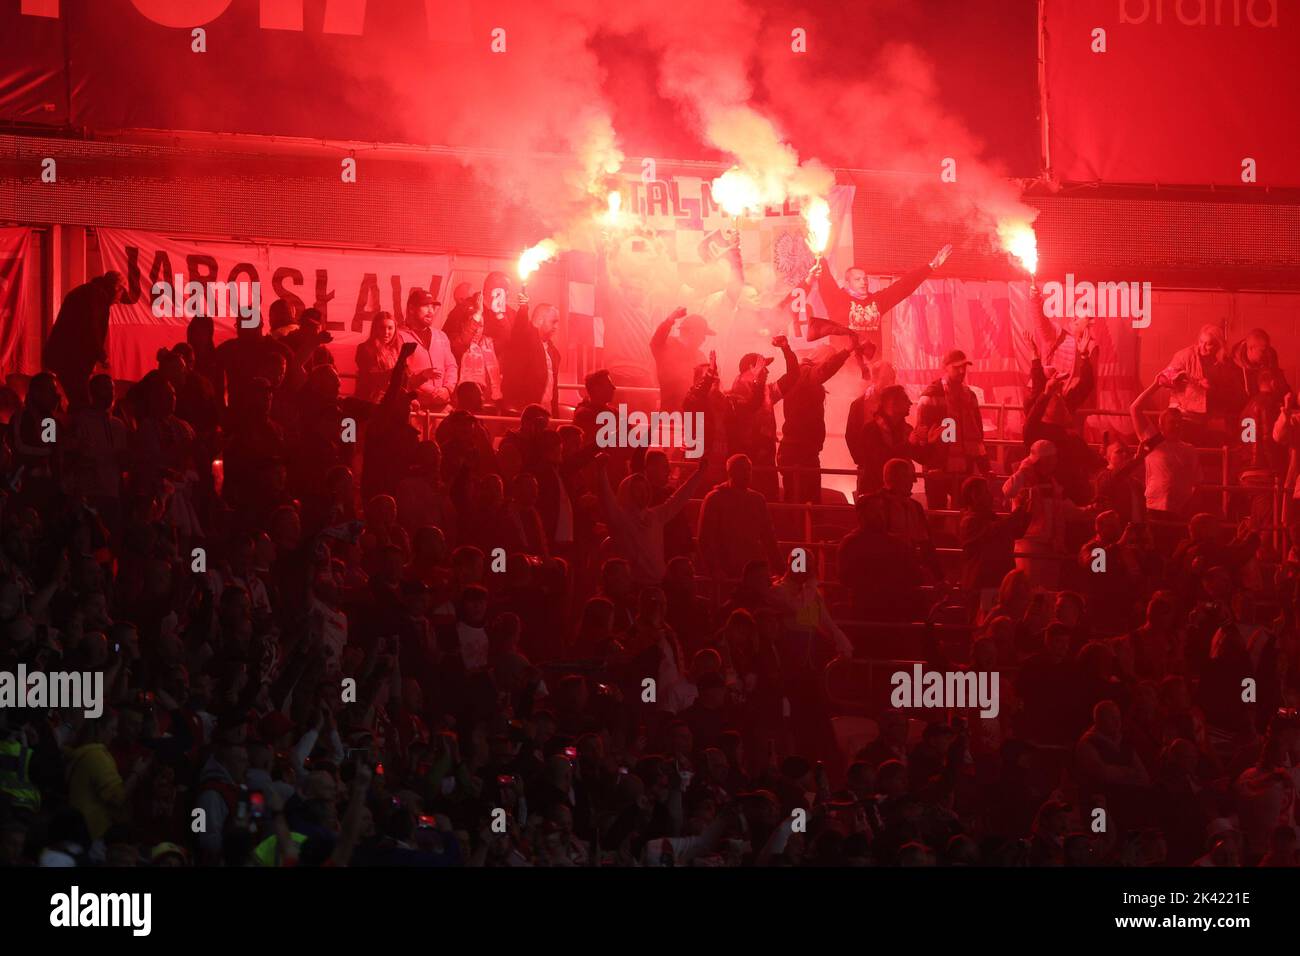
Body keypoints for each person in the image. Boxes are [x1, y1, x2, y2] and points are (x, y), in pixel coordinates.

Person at [811, 245, 951, 362]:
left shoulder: (877, 301)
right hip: (843, 369)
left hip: (873, 368)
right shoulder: (837, 300)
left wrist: (931, 266)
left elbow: (903, 287)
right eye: (857, 279)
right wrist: (819, 255)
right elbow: (826, 280)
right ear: (847, 283)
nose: (863, 282)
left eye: (865, 278)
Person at [774, 335, 855, 504]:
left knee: (796, 500)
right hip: (800, 451)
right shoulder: (805, 374)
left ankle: (799, 529)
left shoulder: (801, 374)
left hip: (797, 448)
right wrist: (846, 351)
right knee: (806, 502)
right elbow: (826, 370)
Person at [916, 350, 989, 510]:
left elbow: (977, 434)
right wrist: (931, 465)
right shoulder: (930, 396)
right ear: (945, 368)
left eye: (964, 367)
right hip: (939, 468)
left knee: (965, 512)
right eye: (957, 367)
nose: (962, 371)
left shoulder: (970, 396)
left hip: (965, 466)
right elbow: (922, 437)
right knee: (938, 514)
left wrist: (984, 465)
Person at [43, 271, 126, 407]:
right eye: (121, 293)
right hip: (72, 360)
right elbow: (91, 329)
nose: (119, 299)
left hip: (62, 357)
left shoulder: (86, 291)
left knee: (77, 400)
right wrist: (101, 355)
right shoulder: (98, 297)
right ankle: (78, 427)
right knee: (81, 403)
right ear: (117, 288)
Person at [696, 454, 780, 583]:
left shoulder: (756, 500)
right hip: (731, 568)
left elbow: (769, 536)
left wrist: (779, 567)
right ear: (731, 472)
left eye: (748, 470)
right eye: (742, 470)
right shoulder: (715, 499)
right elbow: (705, 538)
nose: (746, 474)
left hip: (748, 568)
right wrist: (714, 569)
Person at [1130, 376, 1201, 523]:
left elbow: (1197, 482)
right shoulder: (1154, 442)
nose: (1177, 426)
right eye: (1172, 422)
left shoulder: (1190, 450)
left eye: (1179, 422)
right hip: (1155, 508)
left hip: (1181, 510)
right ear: (1161, 425)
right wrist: (1156, 385)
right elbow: (1135, 408)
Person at [847, 384, 926, 497]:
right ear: (891, 404)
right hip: (874, 494)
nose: (910, 403)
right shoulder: (871, 430)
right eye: (905, 399)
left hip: (900, 494)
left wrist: (928, 442)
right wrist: (909, 444)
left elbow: (921, 457)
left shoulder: (906, 429)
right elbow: (879, 459)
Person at [442, 290, 505, 408]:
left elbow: (507, 337)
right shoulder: (458, 344)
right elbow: (464, 340)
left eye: (480, 324)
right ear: (463, 324)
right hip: (463, 405)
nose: (477, 328)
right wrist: (478, 313)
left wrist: (499, 314)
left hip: (487, 404)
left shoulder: (488, 344)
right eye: (474, 322)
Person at [396, 289, 458, 409]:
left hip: (442, 407)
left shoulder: (441, 336)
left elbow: (451, 366)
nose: (431, 311)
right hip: (415, 409)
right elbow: (402, 374)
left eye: (433, 307)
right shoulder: (399, 336)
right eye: (425, 306)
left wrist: (447, 389)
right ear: (411, 309)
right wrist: (433, 392)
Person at [502, 297, 561, 416]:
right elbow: (519, 331)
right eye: (553, 321)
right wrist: (523, 309)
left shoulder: (553, 352)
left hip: (545, 413)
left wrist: (555, 415)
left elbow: (553, 390)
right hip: (523, 415)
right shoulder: (525, 342)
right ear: (539, 320)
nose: (556, 327)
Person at [650, 306, 712, 412]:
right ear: (693, 332)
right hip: (669, 411)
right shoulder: (667, 345)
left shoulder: (700, 356)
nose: (704, 339)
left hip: (693, 414)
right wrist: (670, 320)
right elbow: (656, 342)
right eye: (703, 334)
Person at [354, 311, 400, 403]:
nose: (386, 332)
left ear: (395, 329)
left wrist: (423, 376)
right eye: (382, 328)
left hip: (390, 402)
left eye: (390, 328)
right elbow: (372, 377)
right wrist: (397, 371)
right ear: (375, 329)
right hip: (369, 401)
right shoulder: (364, 349)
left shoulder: (397, 350)